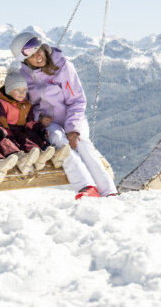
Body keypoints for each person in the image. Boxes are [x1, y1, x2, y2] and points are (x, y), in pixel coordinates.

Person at [11, 32, 118, 199]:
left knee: (80, 142)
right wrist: (38, 117)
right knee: (60, 142)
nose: (38, 57)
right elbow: (26, 106)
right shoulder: (24, 76)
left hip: (72, 116)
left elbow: (77, 101)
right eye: (32, 56)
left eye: (38, 51)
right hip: (49, 122)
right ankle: (87, 186)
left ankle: (109, 190)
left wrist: (72, 128)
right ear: (25, 61)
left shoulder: (63, 66)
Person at [0, 67, 69, 171]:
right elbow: (0, 119)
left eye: (24, 90)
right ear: (9, 90)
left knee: (35, 134)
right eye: (18, 90)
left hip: (23, 128)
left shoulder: (27, 104)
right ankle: (32, 156)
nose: (22, 93)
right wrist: (4, 131)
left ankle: (51, 154)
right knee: (23, 139)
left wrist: (38, 127)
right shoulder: (1, 103)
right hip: (9, 130)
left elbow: (29, 121)